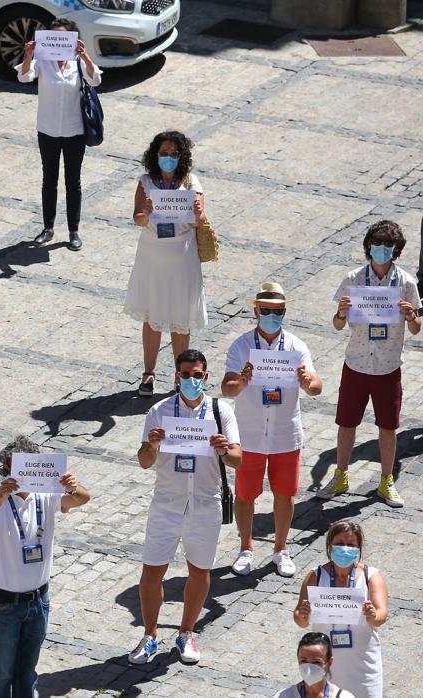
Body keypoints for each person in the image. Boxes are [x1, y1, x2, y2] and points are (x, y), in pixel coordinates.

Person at [129, 349, 241, 666]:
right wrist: (151, 446)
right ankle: (149, 636)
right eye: (185, 374)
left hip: (205, 503)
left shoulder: (221, 412)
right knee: (152, 571)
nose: (192, 380)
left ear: (206, 377)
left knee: (200, 571)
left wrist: (223, 450)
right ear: (177, 376)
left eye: (197, 375)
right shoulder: (160, 411)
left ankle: (186, 632)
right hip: (166, 503)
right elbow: (143, 462)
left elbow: (238, 460)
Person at [0, 436, 91, 698]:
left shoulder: (46, 495)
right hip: (4, 600)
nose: (3, 475)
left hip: (38, 599)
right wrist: (0, 496)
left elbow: (82, 499)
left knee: (27, 668)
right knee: (4, 666)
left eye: (7, 470)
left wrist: (71, 487)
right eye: (2, 471)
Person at [221, 283, 322, 578]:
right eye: (265, 310)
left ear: (284, 313)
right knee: (245, 494)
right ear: (255, 312)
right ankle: (246, 548)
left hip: (284, 434)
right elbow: (227, 388)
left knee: (285, 494)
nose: (271, 315)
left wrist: (307, 383)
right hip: (249, 433)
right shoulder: (241, 345)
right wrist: (241, 380)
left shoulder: (296, 346)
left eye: (277, 311)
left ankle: (281, 549)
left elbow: (316, 387)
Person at [319, 220, 420, 507]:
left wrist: (412, 315)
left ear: (396, 250)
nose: (383, 249)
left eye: (389, 245)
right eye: (378, 243)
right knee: (346, 423)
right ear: (368, 246)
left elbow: (416, 328)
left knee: (388, 427)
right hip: (356, 363)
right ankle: (341, 475)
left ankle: (386, 481)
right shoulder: (352, 279)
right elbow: (338, 325)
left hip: (388, 366)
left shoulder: (406, 283)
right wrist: (341, 313)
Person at [124, 131, 209, 397]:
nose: (168, 158)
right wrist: (145, 212)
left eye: (174, 154)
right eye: (164, 153)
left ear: (181, 156)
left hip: (183, 255)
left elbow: (201, 220)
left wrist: (198, 214)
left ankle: (179, 375)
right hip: (152, 256)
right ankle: (148, 373)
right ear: (155, 156)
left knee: (180, 319)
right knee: (152, 316)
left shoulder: (191, 182)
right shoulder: (146, 182)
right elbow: (137, 219)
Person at [18, 18, 102, 252]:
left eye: (61, 35)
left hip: (74, 130)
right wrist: (28, 55)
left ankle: (73, 231)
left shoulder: (77, 61)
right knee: (49, 180)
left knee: (73, 182)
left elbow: (96, 79)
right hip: (48, 130)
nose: (56, 38)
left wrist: (85, 57)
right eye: (53, 34)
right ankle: (48, 228)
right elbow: (24, 77)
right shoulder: (43, 61)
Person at [292, 520, 389, 698]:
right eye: (340, 544)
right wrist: (303, 615)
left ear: (359, 549)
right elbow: (300, 618)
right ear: (330, 547)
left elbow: (382, 615)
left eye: (351, 544)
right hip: (326, 664)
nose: (345, 549)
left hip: (363, 665)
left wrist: (373, 616)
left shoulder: (371, 577)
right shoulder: (315, 576)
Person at [274, 632, 355, 698]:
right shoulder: (284, 696)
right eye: (303, 661)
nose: (309, 668)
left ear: (329, 663)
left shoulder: (344, 696)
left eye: (316, 662)